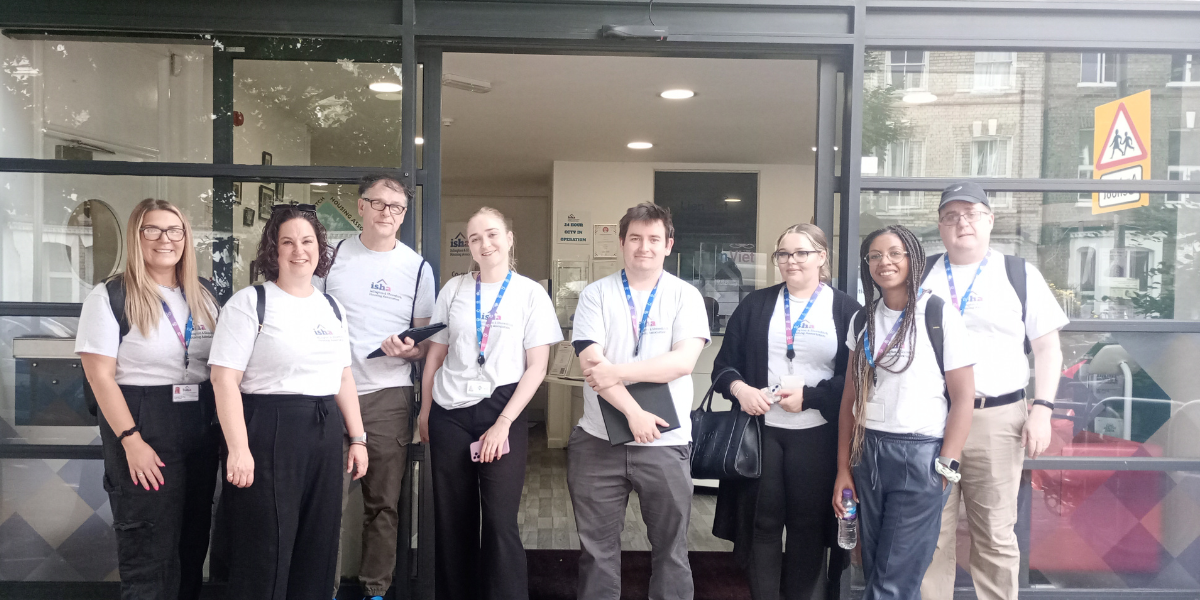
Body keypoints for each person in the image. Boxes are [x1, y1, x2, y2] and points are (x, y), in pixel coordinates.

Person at [210, 204, 369, 600]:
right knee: (265, 546)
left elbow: (343, 376)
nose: (299, 250)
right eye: (288, 242)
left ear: (320, 248)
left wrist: (359, 438)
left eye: (307, 241)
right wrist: (238, 449)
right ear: (273, 251)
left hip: (324, 429)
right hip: (267, 428)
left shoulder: (332, 307)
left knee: (318, 542)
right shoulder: (250, 303)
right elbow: (223, 379)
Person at [920, 182, 1068, 600]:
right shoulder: (922, 273)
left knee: (995, 535)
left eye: (970, 214)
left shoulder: (1019, 274)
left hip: (997, 421)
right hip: (933, 420)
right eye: (951, 216)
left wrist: (1042, 409)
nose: (961, 223)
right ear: (940, 226)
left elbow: (1048, 348)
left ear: (989, 220)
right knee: (932, 532)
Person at [76, 198, 221, 600]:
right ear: (136, 238)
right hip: (142, 421)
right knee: (149, 547)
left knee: (192, 542)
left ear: (186, 238)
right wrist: (131, 441)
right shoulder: (110, 296)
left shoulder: (204, 293)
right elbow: (99, 376)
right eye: (152, 230)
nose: (165, 239)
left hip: (199, 421)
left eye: (174, 230)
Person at [419, 207, 563, 600]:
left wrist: (503, 423)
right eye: (475, 238)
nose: (485, 244)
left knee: (500, 520)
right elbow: (435, 355)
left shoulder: (530, 294)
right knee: (453, 520)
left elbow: (536, 368)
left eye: (493, 234)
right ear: (469, 246)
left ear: (510, 238)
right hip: (450, 411)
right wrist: (425, 410)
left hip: (504, 408)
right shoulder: (454, 290)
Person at [711, 224, 861, 600]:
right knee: (761, 524)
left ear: (822, 257)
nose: (791, 261)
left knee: (807, 528)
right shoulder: (756, 305)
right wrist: (741, 390)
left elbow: (857, 379)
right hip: (761, 434)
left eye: (801, 253)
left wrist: (809, 397)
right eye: (783, 254)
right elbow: (723, 367)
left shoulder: (846, 310)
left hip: (817, 435)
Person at [569, 202, 710, 600]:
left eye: (653, 239)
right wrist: (633, 412)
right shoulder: (595, 295)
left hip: (664, 444)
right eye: (635, 238)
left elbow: (682, 363)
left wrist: (619, 372)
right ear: (621, 243)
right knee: (596, 552)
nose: (644, 247)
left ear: (668, 245)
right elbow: (593, 366)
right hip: (598, 442)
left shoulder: (686, 296)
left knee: (672, 552)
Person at [832, 225, 977, 600]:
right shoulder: (862, 320)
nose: (885, 262)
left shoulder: (937, 314)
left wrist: (946, 466)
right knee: (876, 567)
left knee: (894, 579)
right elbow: (851, 398)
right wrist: (844, 470)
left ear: (913, 259)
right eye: (876, 256)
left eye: (895, 253)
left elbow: (963, 398)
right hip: (868, 453)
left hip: (920, 456)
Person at [320, 174, 435, 600]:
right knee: (327, 505)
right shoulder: (329, 259)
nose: (388, 213)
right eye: (380, 204)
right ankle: (323, 588)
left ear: (404, 215)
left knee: (383, 505)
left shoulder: (417, 268)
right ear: (362, 206)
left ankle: (375, 592)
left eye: (397, 207)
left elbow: (424, 344)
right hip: (330, 395)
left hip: (389, 398)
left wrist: (407, 351)